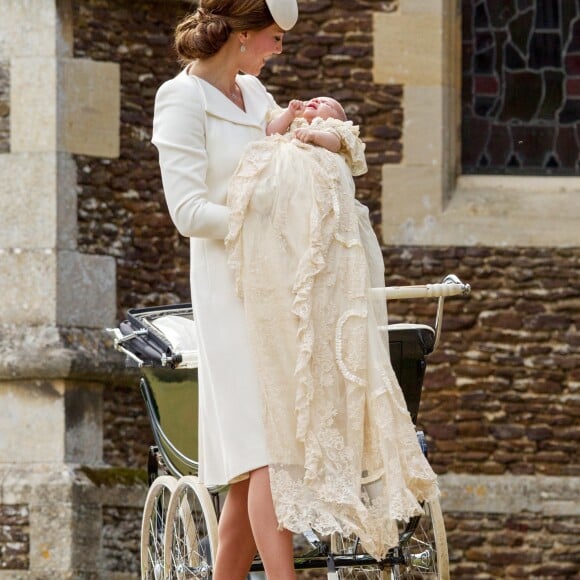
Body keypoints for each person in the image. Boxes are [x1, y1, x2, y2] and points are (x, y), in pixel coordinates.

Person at [225, 90, 440, 559]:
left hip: (325, 236)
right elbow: (268, 132)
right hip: (280, 248)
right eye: (314, 101)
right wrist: (286, 118)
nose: (315, 104)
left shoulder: (336, 137)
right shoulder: (284, 132)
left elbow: (337, 143)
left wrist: (314, 130)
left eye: (327, 104)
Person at [151, 1, 299, 579]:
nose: (279, 50)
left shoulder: (256, 96)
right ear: (241, 35)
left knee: (245, 474)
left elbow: (274, 162)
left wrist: (302, 134)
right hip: (227, 290)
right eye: (274, 38)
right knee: (265, 450)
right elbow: (188, 211)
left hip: (275, 282)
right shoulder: (181, 99)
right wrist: (258, 212)